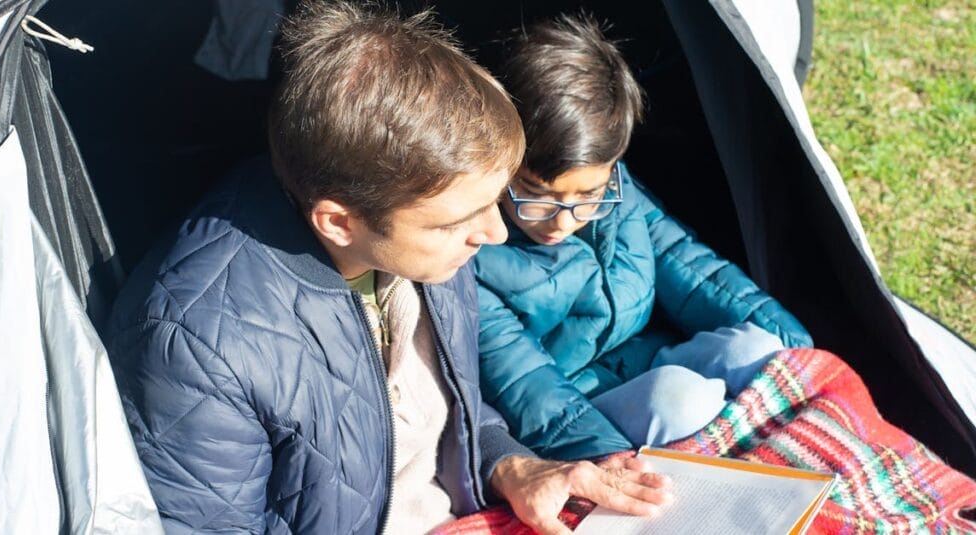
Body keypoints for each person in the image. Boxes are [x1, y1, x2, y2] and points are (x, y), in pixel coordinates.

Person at [105, 2, 672, 534]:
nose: (495, 233)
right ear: (339, 222)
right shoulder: (196, 347)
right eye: (458, 221)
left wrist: (512, 466)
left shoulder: (430, 235)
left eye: (493, 200)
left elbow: (449, 410)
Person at [474, 14, 814, 462]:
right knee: (681, 402)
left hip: (646, 359)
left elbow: (689, 267)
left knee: (763, 350)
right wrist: (612, 466)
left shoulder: (617, 193)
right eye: (537, 195)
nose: (562, 220)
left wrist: (801, 356)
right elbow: (527, 387)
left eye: (586, 196)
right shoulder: (477, 253)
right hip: (580, 410)